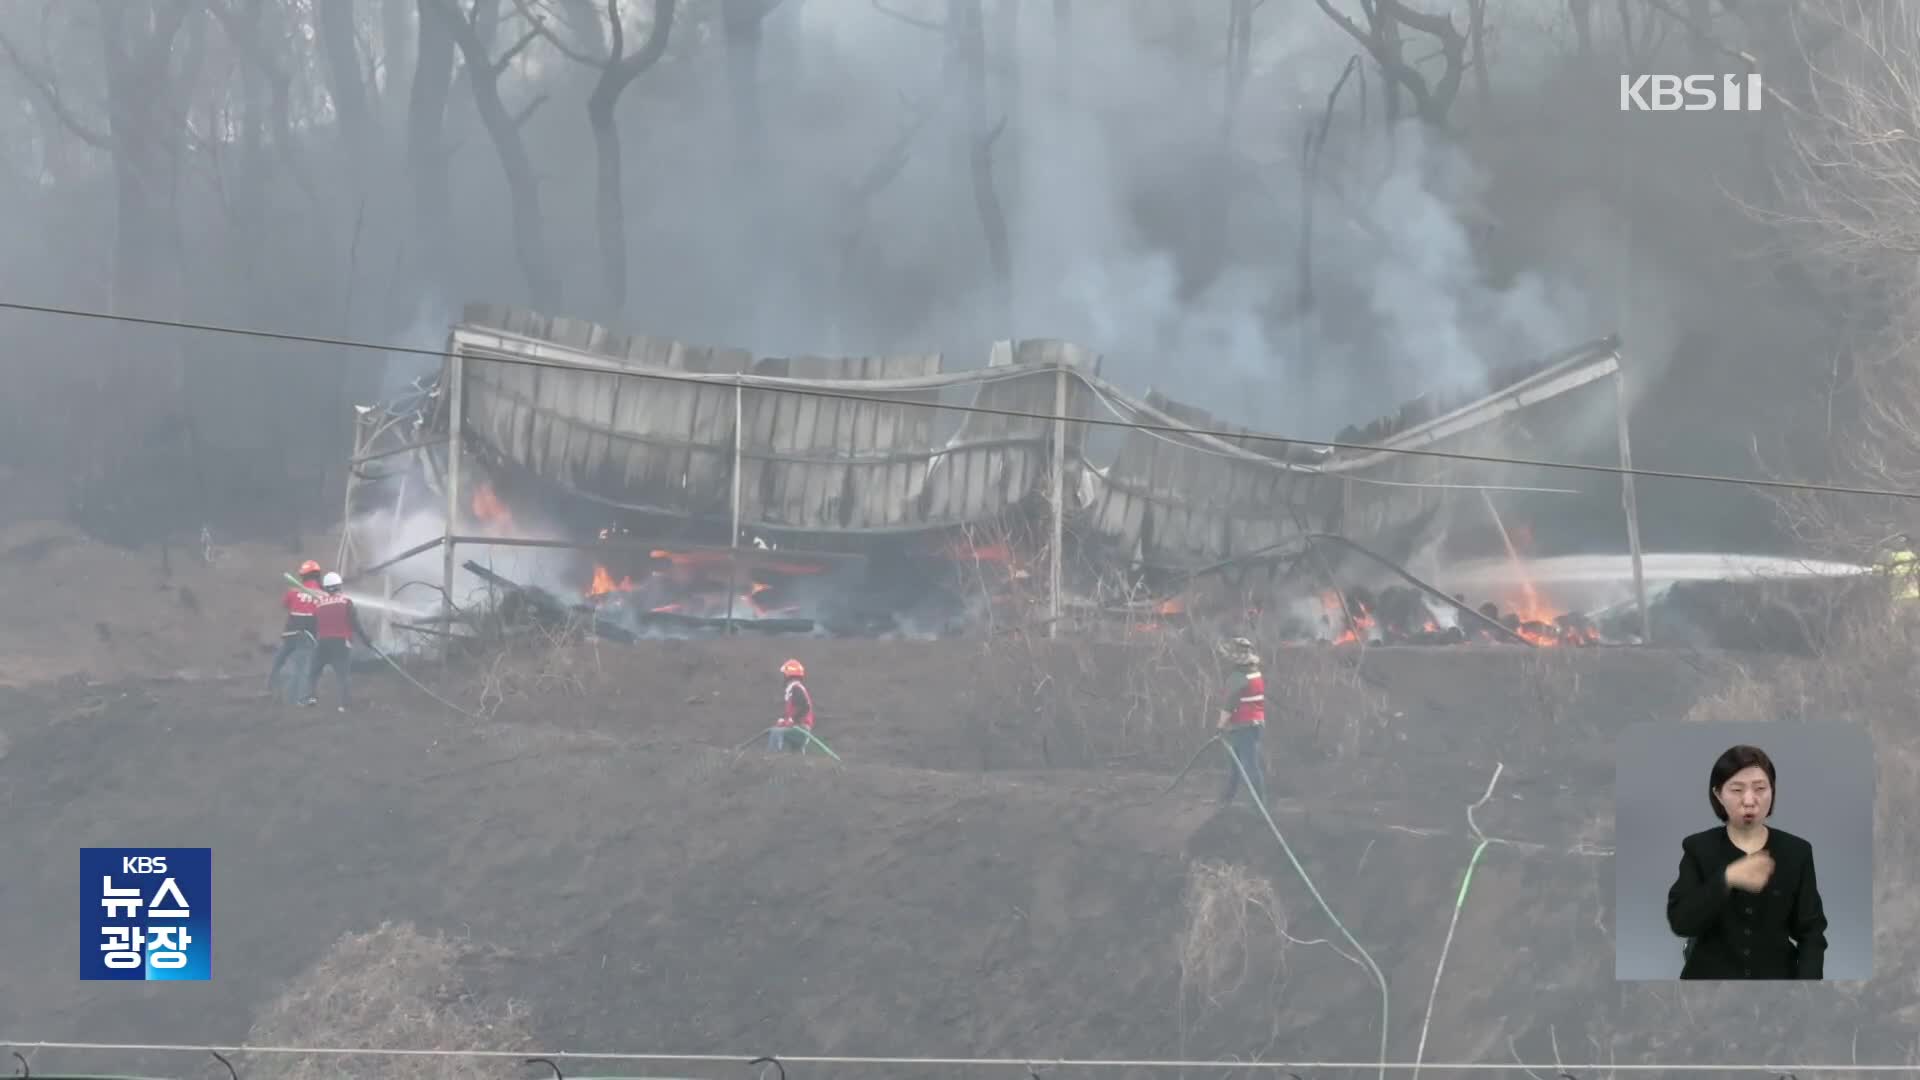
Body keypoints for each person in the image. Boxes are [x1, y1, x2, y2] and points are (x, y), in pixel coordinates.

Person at [1665, 743, 1828, 979]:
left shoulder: (1797, 851)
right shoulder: (1698, 848)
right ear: (1718, 795)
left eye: (1760, 788)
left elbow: (1811, 933)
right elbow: (1681, 923)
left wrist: (1807, 991)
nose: (1749, 800)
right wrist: (1727, 879)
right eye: (1737, 790)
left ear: (1772, 792)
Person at [302, 572, 373, 713]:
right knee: (342, 675)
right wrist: (366, 640)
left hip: (322, 642)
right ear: (339, 586)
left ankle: (311, 698)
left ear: (326, 588)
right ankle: (343, 705)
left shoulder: (319, 604)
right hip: (341, 642)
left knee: (313, 673)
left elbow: (313, 624)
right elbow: (355, 624)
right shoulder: (346, 602)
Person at [1215, 637, 1268, 810]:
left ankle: (1259, 804)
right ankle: (1226, 798)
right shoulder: (1254, 671)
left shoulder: (1237, 676)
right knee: (1236, 764)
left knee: (1249, 765)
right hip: (1256, 724)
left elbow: (1228, 706)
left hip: (1242, 726)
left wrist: (1220, 727)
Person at [267, 560, 325, 702]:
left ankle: (270, 689)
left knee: (278, 662)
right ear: (317, 575)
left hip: (290, 633)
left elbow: (286, 605)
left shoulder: (293, 591)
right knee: (302, 668)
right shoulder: (323, 596)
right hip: (307, 636)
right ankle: (299, 698)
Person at [768, 658, 814, 752]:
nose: (783, 677)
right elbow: (794, 710)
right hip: (800, 728)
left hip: (801, 729)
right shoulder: (795, 689)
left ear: (788, 675)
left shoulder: (796, 688)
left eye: (784, 674)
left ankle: (771, 756)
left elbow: (805, 706)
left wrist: (792, 720)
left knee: (775, 732)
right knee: (796, 754)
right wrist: (784, 720)